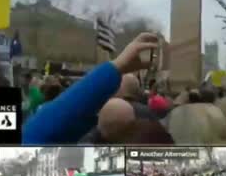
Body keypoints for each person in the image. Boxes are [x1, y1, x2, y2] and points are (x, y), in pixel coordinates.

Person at [23, 32, 159, 144]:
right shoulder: (152, 118)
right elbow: (41, 128)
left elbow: (40, 130)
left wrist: (115, 68)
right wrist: (116, 67)